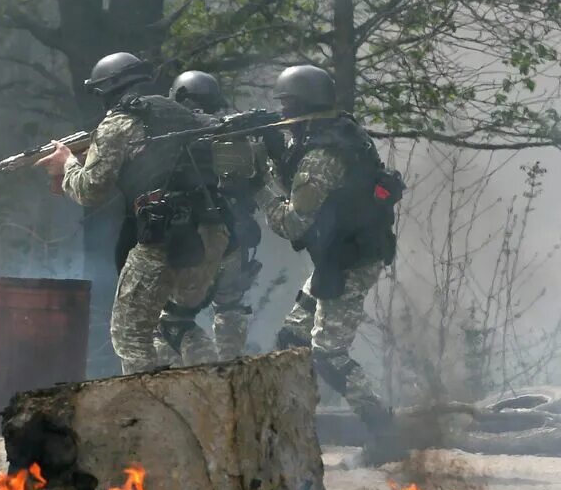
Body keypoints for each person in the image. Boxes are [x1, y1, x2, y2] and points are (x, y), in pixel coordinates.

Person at [35, 53, 229, 374]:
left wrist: (66, 163)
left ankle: (146, 415)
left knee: (130, 336)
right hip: (210, 234)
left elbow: (89, 190)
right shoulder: (179, 112)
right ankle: (213, 396)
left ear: (106, 90)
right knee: (176, 323)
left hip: (165, 238)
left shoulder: (118, 123)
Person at [253, 64, 403, 447]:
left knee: (328, 354)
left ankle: (385, 432)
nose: (284, 116)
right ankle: (288, 423)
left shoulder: (322, 154)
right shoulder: (334, 134)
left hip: (351, 260)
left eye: (288, 106)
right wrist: (272, 158)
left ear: (303, 105)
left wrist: (257, 184)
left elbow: (293, 223)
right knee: (292, 336)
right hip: (342, 253)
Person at [155, 71, 264, 365]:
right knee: (230, 307)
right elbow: (256, 182)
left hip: (196, 242)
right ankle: (232, 371)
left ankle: (204, 376)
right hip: (235, 239)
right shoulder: (234, 137)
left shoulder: (173, 140)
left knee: (171, 322)